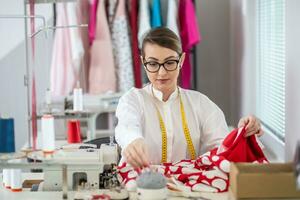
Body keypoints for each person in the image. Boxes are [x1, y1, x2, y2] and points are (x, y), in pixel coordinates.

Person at [115, 27, 263, 169]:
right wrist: (132, 140)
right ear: (143, 62)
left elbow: (223, 148)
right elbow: (127, 125)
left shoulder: (200, 104)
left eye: (170, 62)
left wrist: (242, 133)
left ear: (182, 60)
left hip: (188, 190)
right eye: (153, 64)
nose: (161, 72)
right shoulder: (133, 100)